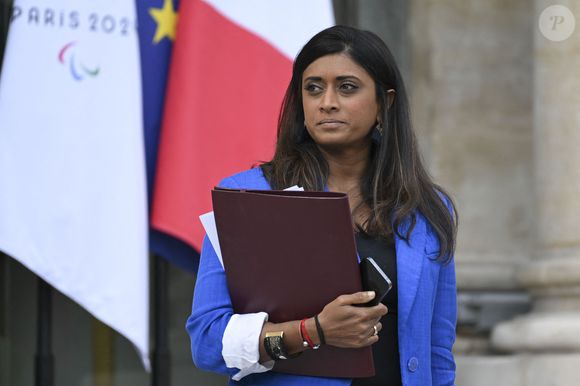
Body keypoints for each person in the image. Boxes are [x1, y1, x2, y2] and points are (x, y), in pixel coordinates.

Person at [186, 25, 458, 386]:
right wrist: (312, 332)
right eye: (313, 88)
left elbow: (437, 353)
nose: (327, 101)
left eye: (347, 87)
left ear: (385, 102)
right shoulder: (249, 196)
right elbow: (207, 341)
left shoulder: (427, 208)